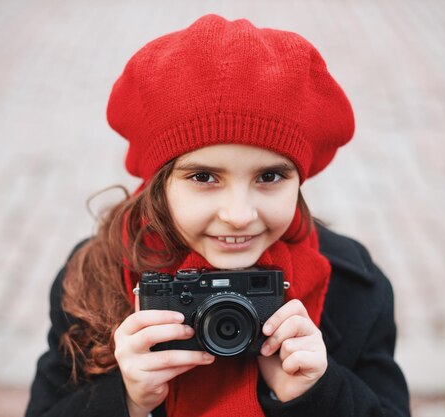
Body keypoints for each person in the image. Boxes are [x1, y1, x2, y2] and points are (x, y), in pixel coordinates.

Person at [25, 13, 410, 417]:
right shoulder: (94, 277)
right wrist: (126, 400)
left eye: (270, 176)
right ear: (160, 184)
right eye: (204, 176)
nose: (239, 215)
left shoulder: (353, 290)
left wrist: (317, 393)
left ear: (299, 179)